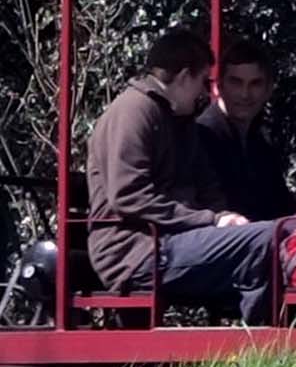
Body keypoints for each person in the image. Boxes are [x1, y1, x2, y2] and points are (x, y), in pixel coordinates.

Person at [83, 30, 283, 323]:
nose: (205, 93)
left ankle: (261, 336)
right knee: (263, 239)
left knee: (269, 235)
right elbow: (129, 196)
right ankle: (259, 348)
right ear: (184, 77)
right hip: (134, 251)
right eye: (203, 82)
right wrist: (211, 221)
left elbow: (207, 187)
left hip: (168, 243)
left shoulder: (178, 119)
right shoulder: (133, 111)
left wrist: (224, 216)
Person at [194, 36, 296, 224]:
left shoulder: (261, 147)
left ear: (268, 89)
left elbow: (286, 208)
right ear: (219, 86)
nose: (245, 94)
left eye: (255, 84)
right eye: (236, 82)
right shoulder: (201, 138)